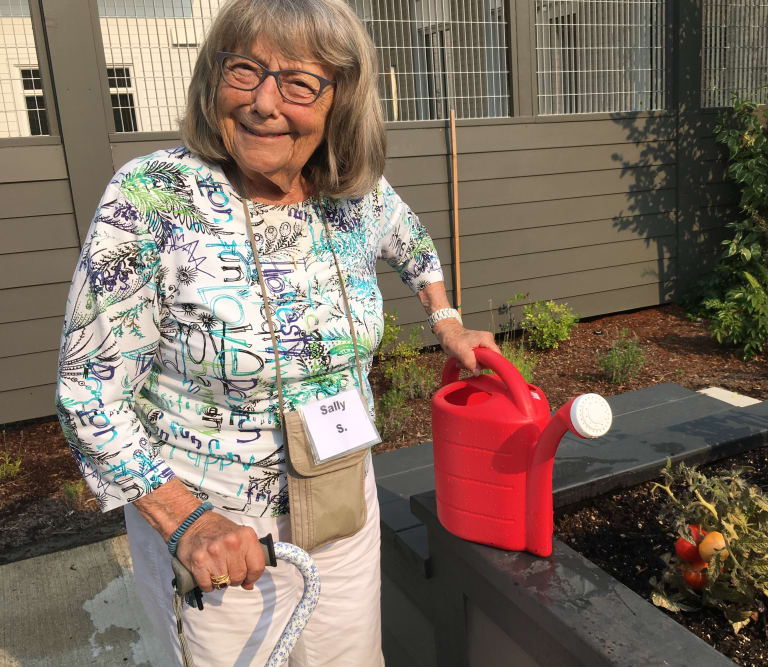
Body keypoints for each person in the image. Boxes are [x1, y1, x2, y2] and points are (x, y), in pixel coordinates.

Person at [55, 0, 498, 664]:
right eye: (245, 71)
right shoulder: (153, 196)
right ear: (213, 79)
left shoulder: (354, 196)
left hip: (344, 503)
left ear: (339, 101)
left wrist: (449, 322)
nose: (264, 102)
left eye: (297, 82)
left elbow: (413, 243)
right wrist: (187, 521)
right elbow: (90, 391)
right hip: (223, 543)